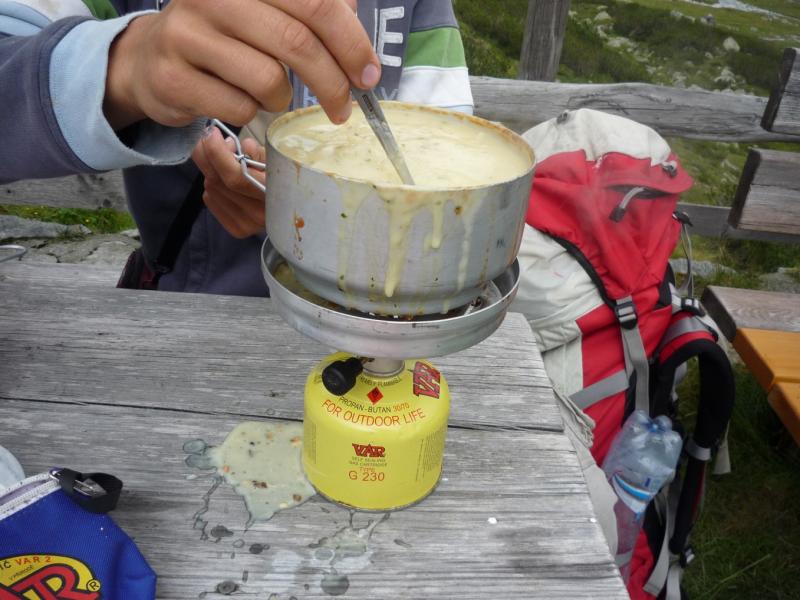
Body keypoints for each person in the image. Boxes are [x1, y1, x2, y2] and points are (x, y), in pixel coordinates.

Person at [0, 0, 473, 295]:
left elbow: (452, 193)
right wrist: (128, 63)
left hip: (373, 333)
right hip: (189, 323)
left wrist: (323, 217)